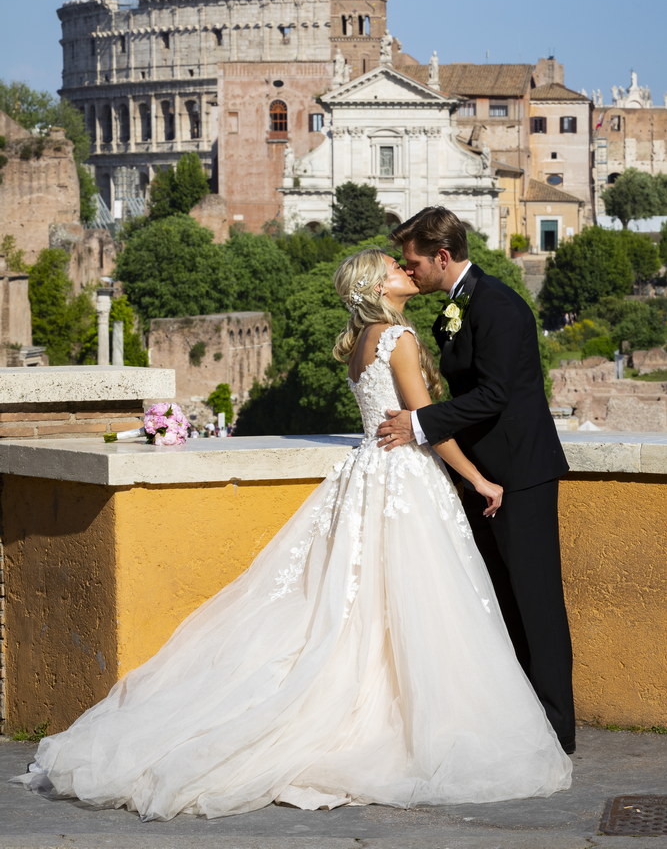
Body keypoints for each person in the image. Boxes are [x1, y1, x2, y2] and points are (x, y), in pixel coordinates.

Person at [13, 248, 571, 821]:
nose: (405, 271)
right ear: (377, 285)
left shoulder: (360, 341)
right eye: (394, 267)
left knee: (359, 606)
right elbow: (424, 422)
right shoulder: (397, 338)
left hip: (366, 474)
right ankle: (407, 719)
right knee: (414, 601)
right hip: (403, 478)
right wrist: (479, 478)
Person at [377, 207, 576, 754]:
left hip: (522, 473)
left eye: (413, 260)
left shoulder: (500, 306)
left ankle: (557, 730)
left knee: (536, 604)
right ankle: (519, 719)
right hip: (484, 475)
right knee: (499, 602)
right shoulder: (458, 305)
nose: (408, 269)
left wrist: (418, 423)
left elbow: (495, 396)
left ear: (442, 256)